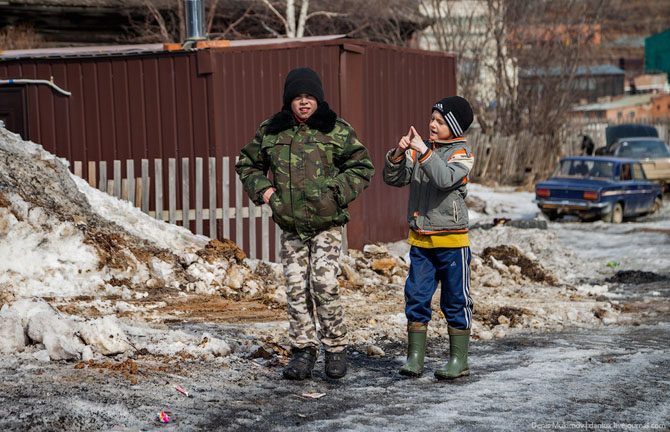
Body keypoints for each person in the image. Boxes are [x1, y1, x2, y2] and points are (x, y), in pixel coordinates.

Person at [236, 67, 374, 380]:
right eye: (297, 97)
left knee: (324, 285)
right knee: (296, 289)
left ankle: (335, 349)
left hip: (327, 224)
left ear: (318, 99)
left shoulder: (336, 129)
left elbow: (362, 166)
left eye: (309, 96)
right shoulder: (272, 130)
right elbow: (247, 164)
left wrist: (335, 192)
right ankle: (303, 350)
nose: (303, 102)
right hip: (291, 226)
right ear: (289, 101)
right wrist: (268, 193)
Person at [383, 96, 475, 380]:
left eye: (439, 121)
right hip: (422, 239)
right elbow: (394, 178)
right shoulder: (421, 150)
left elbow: (444, 178)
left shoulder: (461, 154)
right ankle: (415, 358)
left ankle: (458, 360)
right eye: (431, 119)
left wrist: (423, 151)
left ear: (454, 126)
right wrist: (399, 153)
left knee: (455, 299)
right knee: (417, 296)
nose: (432, 125)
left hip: (452, 242)